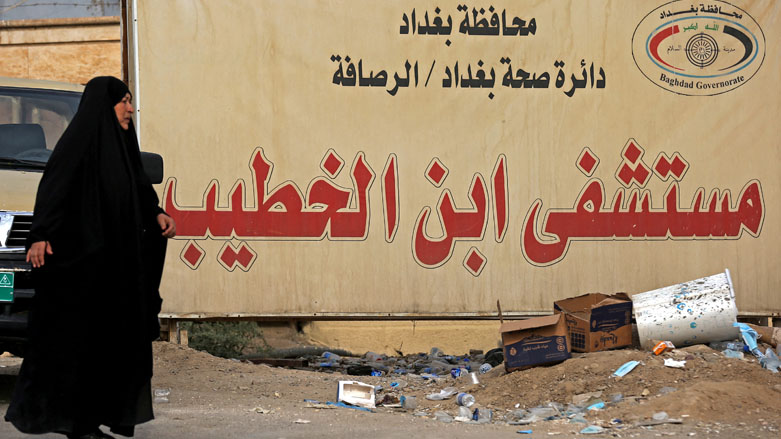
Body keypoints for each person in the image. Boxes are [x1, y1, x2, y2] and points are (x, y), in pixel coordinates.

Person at [5, 76, 176, 439]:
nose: (130, 109)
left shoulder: (123, 147)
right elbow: (54, 191)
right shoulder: (78, 147)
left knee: (112, 348)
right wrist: (38, 236)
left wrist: (155, 212)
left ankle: (95, 419)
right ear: (105, 106)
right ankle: (78, 425)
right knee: (77, 347)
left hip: (116, 272)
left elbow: (137, 188)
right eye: (124, 102)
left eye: (130, 101)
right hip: (81, 270)